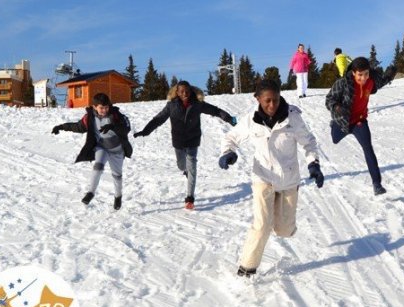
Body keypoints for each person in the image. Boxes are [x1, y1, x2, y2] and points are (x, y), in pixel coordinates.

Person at [218, 79, 323, 277]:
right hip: (263, 177)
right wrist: (227, 152)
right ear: (257, 99)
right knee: (262, 224)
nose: (272, 105)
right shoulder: (251, 119)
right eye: (267, 101)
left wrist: (313, 163)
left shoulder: (293, 118)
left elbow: (309, 142)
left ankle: (282, 223)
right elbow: (230, 138)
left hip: (288, 179)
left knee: (283, 230)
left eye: (275, 100)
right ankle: (247, 268)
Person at [134, 80, 236, 210]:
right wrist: (145, 131)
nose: (185, 93)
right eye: (181, 91)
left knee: (192, 165)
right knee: (181, 165)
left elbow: (215, 110)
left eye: (187, 91)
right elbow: (158, 119)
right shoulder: (171, 106)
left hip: (193, 139)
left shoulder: (197, 104)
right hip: (178, 141)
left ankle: (190, 198)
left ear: (191, 90)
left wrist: (229, 118)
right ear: (177, 92)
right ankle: (185, 170)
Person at [325, 57, 396, 195]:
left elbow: (379, 83)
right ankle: (333, 125)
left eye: (366, 74)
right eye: (360, 75)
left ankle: (377, 184)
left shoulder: (371, 81)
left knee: (368, 148)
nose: (363, 78)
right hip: (343, 121)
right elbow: (329, 100)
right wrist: (338, 107)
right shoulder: (342, 84)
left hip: (360, 121)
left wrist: (388, 76)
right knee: (335, 139)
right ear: (353, 73)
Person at [51, 93, 133, 210]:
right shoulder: (89, 117)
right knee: (98, 166)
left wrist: (113, 126)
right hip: (102, 147)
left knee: (117, 175)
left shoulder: (116, 115)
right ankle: (91, 192)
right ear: (94, 107)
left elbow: (126, 127)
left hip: (116, 150)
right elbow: (78, 127)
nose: (104, 110)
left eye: (106, 107)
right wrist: (61, 126)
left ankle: (118, 196)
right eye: (101, 108)